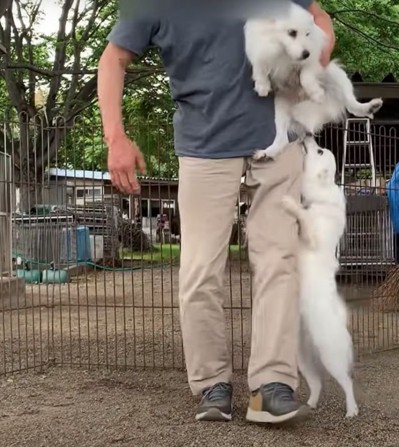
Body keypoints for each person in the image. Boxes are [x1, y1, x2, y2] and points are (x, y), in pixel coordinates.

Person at [97, 0, 335, 424]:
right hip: (204, 145)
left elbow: (317, 15)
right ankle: (211, 383)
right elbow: (113, 58)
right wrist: (115, 136)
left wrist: (319, 51)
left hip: (280, 137)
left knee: (279, 261)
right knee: (199, 270)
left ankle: (272, 385)